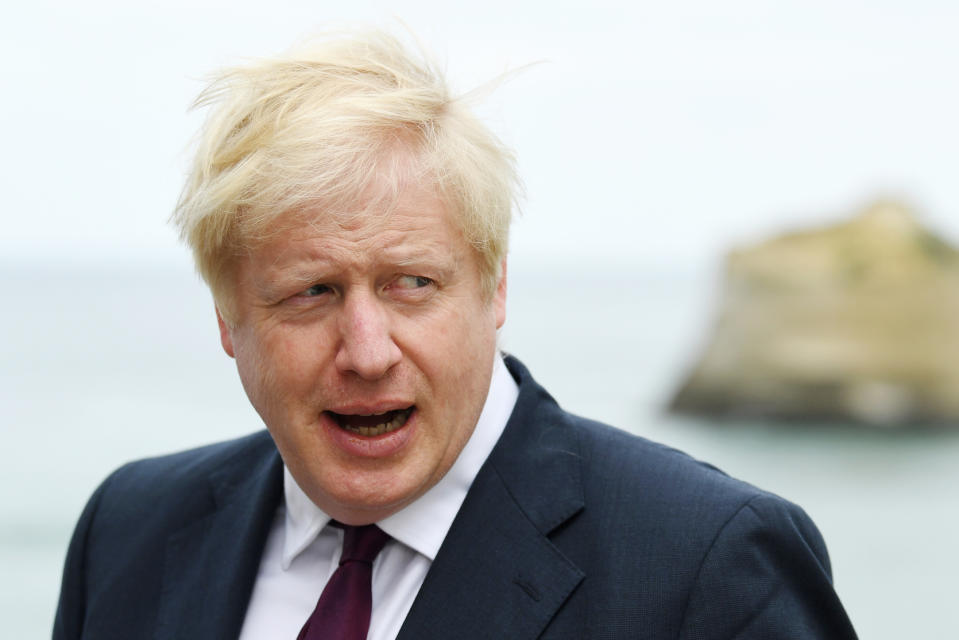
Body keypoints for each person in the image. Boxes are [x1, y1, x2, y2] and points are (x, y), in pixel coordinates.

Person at [53, 30, 858, 639]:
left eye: (411, 284)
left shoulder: (709, 563)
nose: (367, 352)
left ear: (493, 284)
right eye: (311, 292)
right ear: (229, 319)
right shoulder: (129, 529)